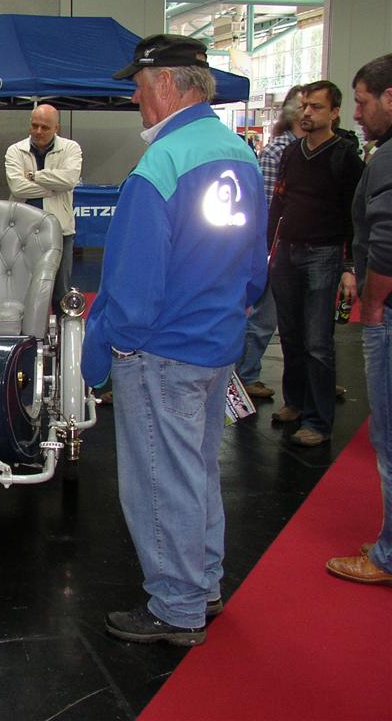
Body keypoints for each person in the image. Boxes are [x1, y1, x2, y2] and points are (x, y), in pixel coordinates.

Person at [83, 34, 268, 645]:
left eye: (138, 83)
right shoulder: (237, 154)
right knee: (194, 471)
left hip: (161, 349)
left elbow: (134, 282)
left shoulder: (159, 165)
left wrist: (121, 345)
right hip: (216, 344)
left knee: (159, 478)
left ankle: (177, 605)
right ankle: (204, 584)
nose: (134, 96)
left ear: (167, 82)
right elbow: (254, 268)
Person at [268, 80, 364, 446]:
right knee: (290, 335)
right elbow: (279, 204)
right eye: (305, 106)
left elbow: (356, 216)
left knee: (317, 342)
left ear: (335, 113)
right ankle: (294, 401)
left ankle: (318, 421)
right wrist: (267, 250)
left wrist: (350, 266)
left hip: (324, 254)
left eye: (317, 107)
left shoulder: (345, 157)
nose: (307, 113)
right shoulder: (292, 153)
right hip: (287, 252)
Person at [326, 53, 392, 585]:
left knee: (389, 437)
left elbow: (387, 238)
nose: (359, 114)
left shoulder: (387, 157)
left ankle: (388, 556)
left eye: (365, 102)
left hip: (388, 310)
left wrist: (372, 303)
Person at [236, 85, 305, 400]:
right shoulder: (278, 150)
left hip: (296, 246)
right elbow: (264, 206)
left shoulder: (307, 149)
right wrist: (263, 253)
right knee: (264, 316)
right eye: (307, 107)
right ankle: (246, 374)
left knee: (291, 319)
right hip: (275, 248)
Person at [4, 103, 83, 306]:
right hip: (22, 231)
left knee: (60, 292)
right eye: (34, 125)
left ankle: (62, 338)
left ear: (57, 128)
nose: (38, 131)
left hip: (60, 231)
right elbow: (18, 188)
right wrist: (53, 187)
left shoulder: (71, 148)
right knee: (22, 291)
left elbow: (69, 180)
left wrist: (34, 176)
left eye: (45, 127)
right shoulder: (15, 150)